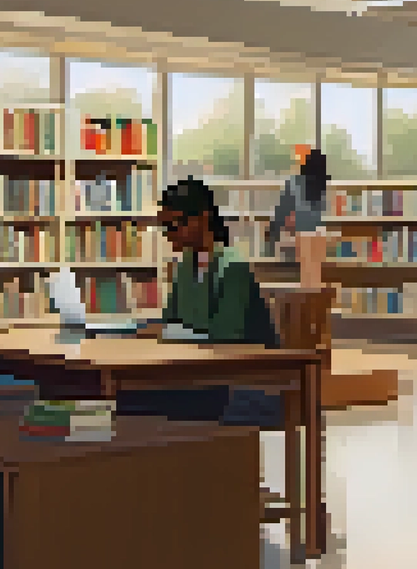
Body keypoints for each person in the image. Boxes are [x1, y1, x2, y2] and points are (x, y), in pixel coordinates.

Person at [123, 177, 281, 424]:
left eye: (174, 225)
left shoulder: (232, 267)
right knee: (125, 395)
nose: (168, 234)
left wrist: (170, 332)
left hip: (240, 384)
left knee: (135, 401)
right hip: (200, 375)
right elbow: (170, 321)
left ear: (202, 219)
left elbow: (226, 337)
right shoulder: (184, 266)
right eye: (164, 227)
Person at [270, 147, 330, 286]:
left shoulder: (294, 184)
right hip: (318, 247)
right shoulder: (323, 188)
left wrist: (273, 236)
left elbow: (280, 216)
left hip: (295, 248)